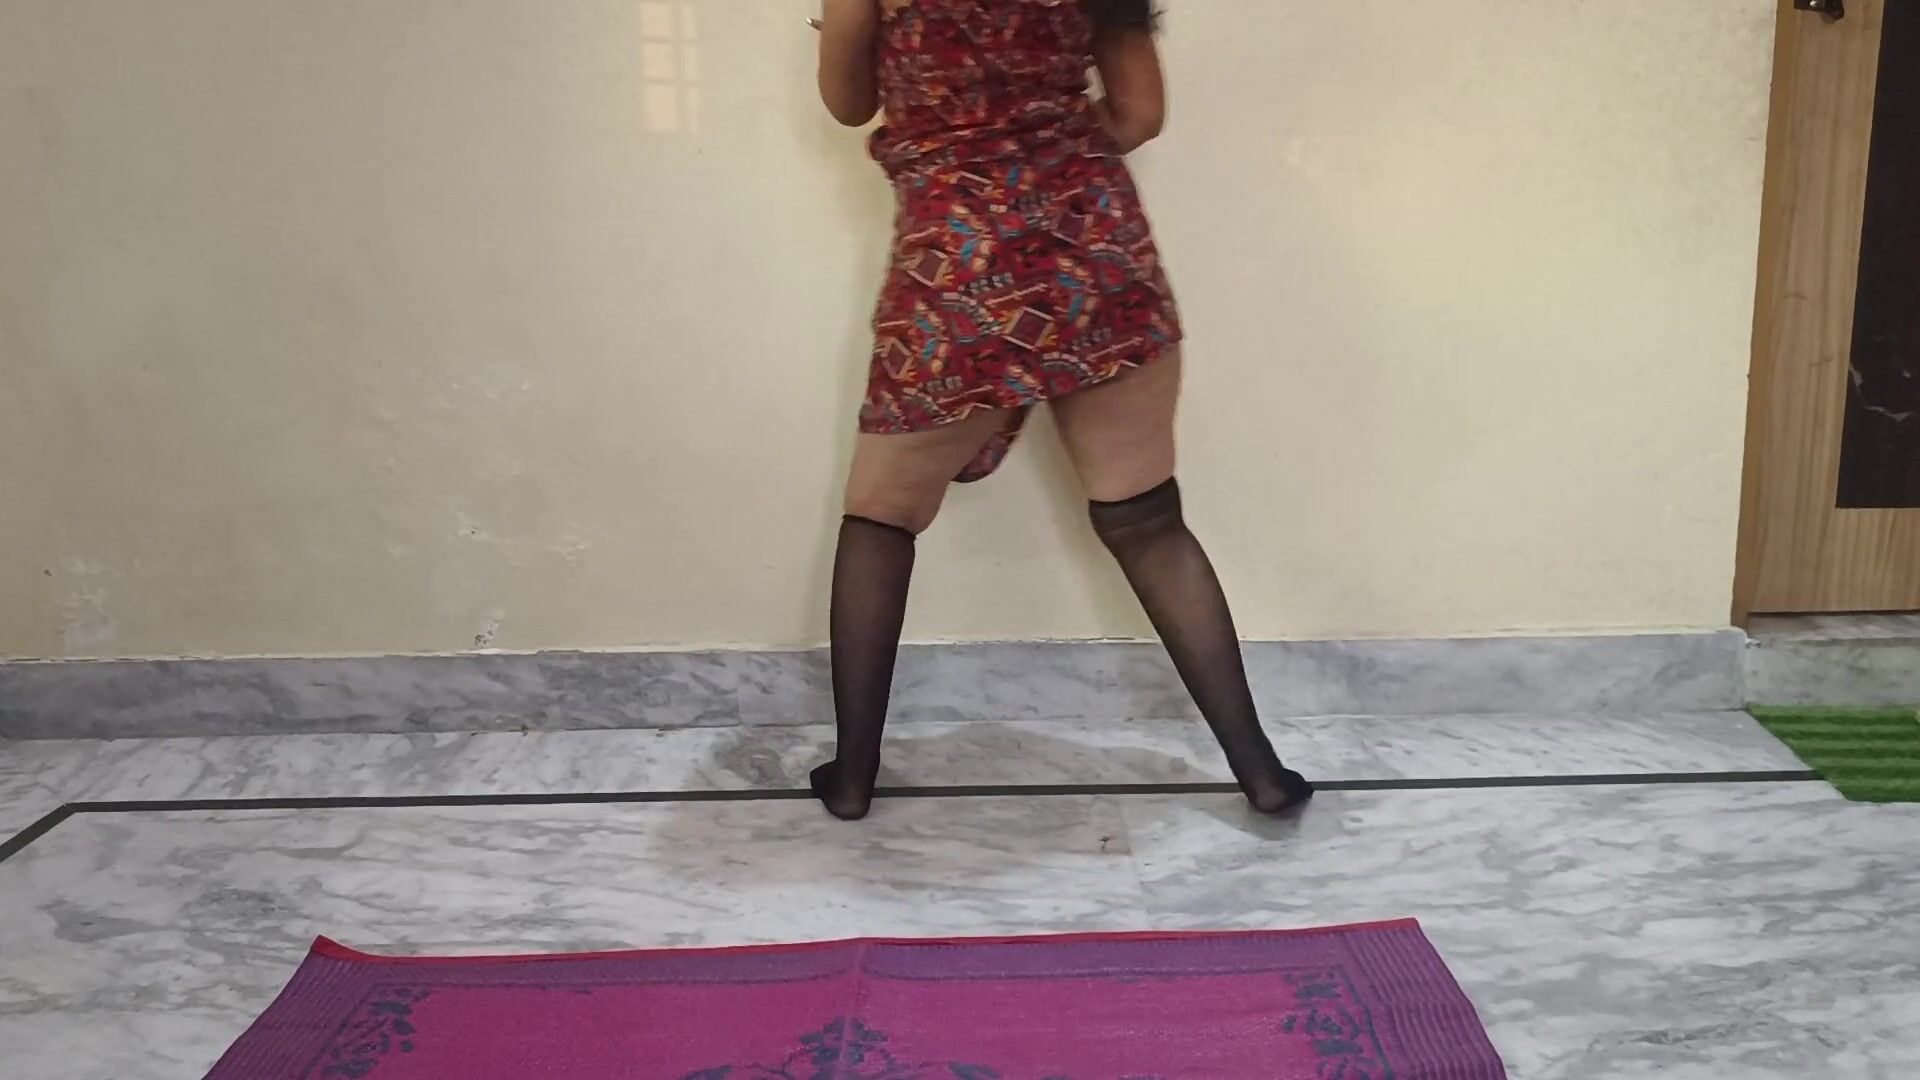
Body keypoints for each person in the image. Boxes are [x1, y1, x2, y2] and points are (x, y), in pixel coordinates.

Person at [811, 0, 1313, 820]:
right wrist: (1045, 157)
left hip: (957, 265)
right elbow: (1140, 114)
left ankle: (852, 779)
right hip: (1095, 246)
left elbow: (847, 103)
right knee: (1147, 520)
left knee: (881, 517)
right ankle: (1262, 772)